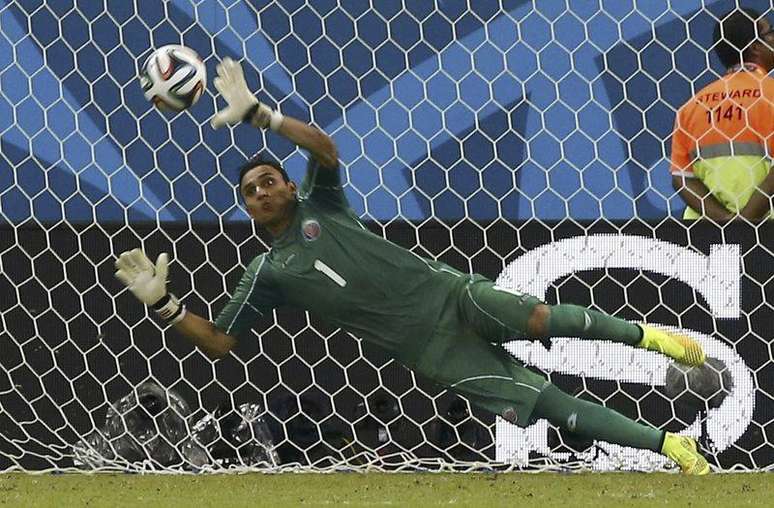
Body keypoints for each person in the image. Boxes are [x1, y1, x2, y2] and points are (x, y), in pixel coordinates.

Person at [115, 58, 710, 474]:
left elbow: (323, 148)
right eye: (249, 190)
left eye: (269, 180)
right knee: (550, 406)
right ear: (245, 207)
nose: (261, 191)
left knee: (535, 317)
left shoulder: (323, 202)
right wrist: (162, 304)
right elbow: (221, 342)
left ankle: (653, 336)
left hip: (448, 294)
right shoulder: (267, 270)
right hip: (432, 352)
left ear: (290, 190)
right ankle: (672, 447)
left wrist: (261, 116)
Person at [670, 8, 774, 221]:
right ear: (755, 46)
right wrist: (746, 223)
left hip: (707, 236)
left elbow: (682, 177)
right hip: (766, 234)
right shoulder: (770, 95)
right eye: (770, 31)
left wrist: (725, 222)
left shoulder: (691, 107)